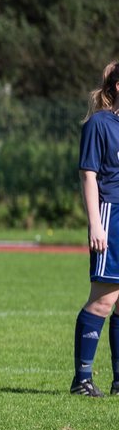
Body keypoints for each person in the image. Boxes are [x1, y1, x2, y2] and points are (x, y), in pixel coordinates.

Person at [72, 60, 119, 396]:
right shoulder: (98, 125)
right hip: (111, 215)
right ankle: (83, 379)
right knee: (104, 299)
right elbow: (89, 175)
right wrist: (95, 224)